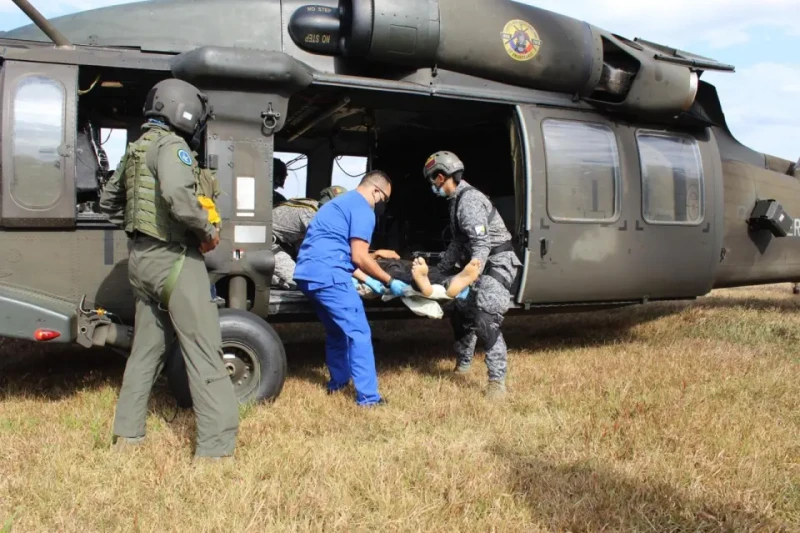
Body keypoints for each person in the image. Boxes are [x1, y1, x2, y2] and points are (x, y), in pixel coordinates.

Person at [98, 78, 239, 460]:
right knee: (205, 352)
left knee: (145, 352)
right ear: (184, 111)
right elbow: (179, 196)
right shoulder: (172, 147)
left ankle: (127, 436)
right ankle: (217, 450)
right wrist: (207, 230)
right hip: (174, 261)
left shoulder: (135, 149)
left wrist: (142, 225)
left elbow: (109, 203)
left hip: (141, 262)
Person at [293, 171, 411, 406]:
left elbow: (335, 252)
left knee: (337, 331)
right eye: (384, 200)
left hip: (307, 275)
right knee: (359, 334)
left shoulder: (337, 204)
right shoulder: (363, 210)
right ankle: (368, 398)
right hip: (330, 277)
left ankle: (338, 383)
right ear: (376, 192)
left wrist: (368, 280)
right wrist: (389, 280)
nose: (382, 205)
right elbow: (359, 257)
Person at [423, 151, 522, 399]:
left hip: (496, 263)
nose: (432, 186)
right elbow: (458, 242)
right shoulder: (456, 201)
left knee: (484, 317)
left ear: (442, 176)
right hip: (478, 264)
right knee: (460, 311)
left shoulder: (468, 201)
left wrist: (469, 278)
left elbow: (481, 246)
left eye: (433, 180)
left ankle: (497, 382)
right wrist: (441, 270)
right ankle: (464, 363)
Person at [271, 185, 348, 289]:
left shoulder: (314, 206)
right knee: (299, 281)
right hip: (267, 245)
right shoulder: (313, 216)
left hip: (280, 242)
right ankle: (272, 278)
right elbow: (324, 249)